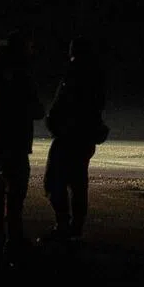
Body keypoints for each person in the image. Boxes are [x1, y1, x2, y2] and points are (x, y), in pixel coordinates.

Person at [0, 30, 44, 264]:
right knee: (15, 193)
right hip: (12, 141)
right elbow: (36, 109)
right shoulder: (19, 74)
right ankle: (13, 242)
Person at [42, 37, 107, 244]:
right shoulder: (92, 76)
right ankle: (74, 226)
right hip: (81, 136)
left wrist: (54, 122)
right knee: (77, 182)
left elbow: (64, 103)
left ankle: (64, 224)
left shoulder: (74, 74)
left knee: (54, 182)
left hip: (69, 135)